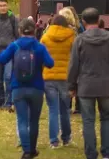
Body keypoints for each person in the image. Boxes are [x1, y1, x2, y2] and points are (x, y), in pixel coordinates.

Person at [68, 7, 109, 159]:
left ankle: (91, 154)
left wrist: (71, 86)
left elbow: (74, 65)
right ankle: (107, 153)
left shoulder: (79, 40)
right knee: (106, 118)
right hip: (105, 84)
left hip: (85, 86)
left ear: (83, 22)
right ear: (99, 20)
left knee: (88, 120)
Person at [0, 18, 55, 159]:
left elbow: (1, 59)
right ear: (34, 30)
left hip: (18, 89)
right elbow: (50, 63)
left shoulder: (14, 46)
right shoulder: (39, 47)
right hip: (37, 89)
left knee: (22, 120)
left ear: (20, 31)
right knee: (34, 121)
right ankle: (33, 149)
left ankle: (27, 151)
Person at [41, 14, 76, 149]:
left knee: (53, 110)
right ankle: (66, 138)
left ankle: (53, 141)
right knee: (65, 110)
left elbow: (41, 58)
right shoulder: (72, 37)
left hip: (48, 77)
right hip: (65, 78)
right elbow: (75, 59)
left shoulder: (45, 37)